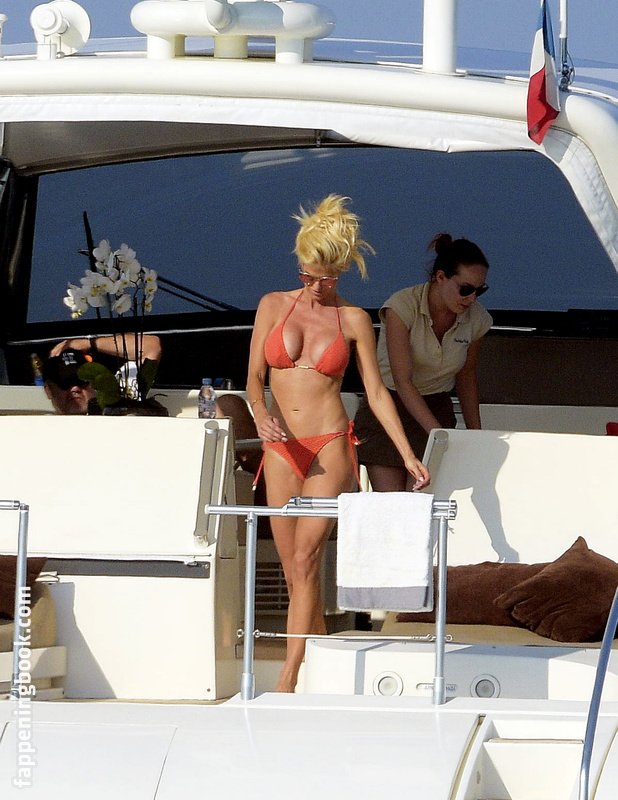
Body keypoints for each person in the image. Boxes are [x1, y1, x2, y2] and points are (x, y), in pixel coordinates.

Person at [246, 194, 430, 692]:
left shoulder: (353, 320)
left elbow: (376, 391)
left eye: (326, 279)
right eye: (307, 276)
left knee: (306, 560)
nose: (315, 286)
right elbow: (253, 379)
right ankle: (320, 658)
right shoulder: (272, 305)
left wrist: (408, 455)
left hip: (329, 445)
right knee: (293, 572)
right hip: (280, 447)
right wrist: (260, 414)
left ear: (342, 271)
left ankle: (288, 677)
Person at [355, 233, 493, 491]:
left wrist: (477, 437)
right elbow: (403, 381)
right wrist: (439, 434)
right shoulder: (401, 306)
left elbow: (466, 375)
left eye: (480, 290)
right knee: (392, 505)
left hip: (437, 405)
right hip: (389, 408)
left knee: (420, 502)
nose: (472, 298)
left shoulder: (478, 319)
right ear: (440, 277)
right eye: (466, 289)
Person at [43, 335, 162, 415]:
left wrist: (89, 343)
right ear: (48, 390)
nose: (75, 388)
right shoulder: (40, 427)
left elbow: (151, 348)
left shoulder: (116, 401)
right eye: (65, 382)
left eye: (82, 379)